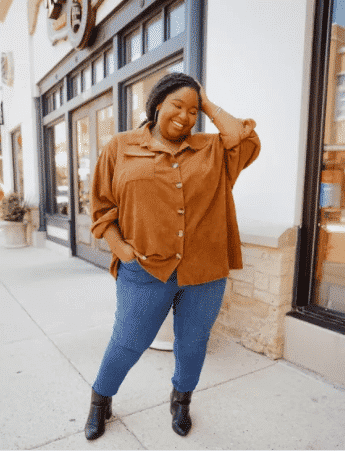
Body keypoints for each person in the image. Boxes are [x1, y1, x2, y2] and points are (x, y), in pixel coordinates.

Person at [85, 72, 261, 440]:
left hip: (205, 271)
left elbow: (246, 139)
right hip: (144, 268)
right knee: (128, 341)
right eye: (177, 105)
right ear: (158, 104)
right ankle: (100, 399)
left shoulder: (213, 149)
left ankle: (181, 400)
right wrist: (120, 248)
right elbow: (102, 204)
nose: (185, 115)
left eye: (193, 110)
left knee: (193, 342)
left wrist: (206, 101)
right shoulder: (120, 147)